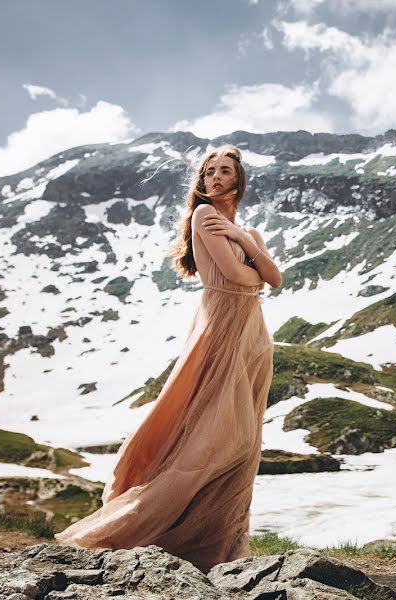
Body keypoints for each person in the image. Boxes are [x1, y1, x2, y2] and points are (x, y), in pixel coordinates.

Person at [54, 144, 281, 573]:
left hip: (252, 336)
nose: (214, 177)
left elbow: (276, 278)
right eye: (209, 171)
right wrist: (249, 259)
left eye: (224, 171)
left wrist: (242, 242)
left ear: (238, 180)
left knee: (246, 441)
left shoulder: (247, 233)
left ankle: (225, 543)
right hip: (219, 327)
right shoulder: (203, 216)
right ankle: (153, 526)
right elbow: (240, 277)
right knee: (211, 437)